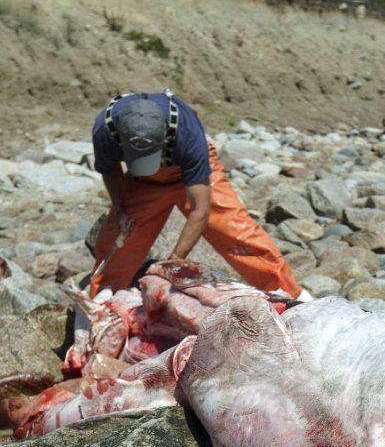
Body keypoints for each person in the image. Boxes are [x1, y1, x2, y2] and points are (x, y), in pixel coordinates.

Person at [89, 91, 310, 300]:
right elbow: (111, 172)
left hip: (192, 175)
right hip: (144, 183)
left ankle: (290, 295)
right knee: (117, 242)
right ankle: (101, 304)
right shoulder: (105, 129)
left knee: (236, 231)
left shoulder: (187, 132)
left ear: (165, 136)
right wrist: (122, 209)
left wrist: (173, 265)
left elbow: (200, 211)